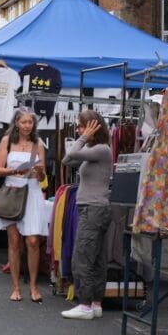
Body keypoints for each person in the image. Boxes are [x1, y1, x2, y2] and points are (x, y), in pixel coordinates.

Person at [60, 110, 114, 320]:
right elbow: (66, 160)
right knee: (97, 258)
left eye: (82, 126)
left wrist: (84, 137)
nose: (78, 130)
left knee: (82, 257)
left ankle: (84, 305)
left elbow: (72, 153)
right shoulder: (95, 151)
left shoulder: (101, 149)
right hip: (95, 209)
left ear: (94, 127)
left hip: (93, 209)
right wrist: (85, 138)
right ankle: (95, 303)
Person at [0, 108, 47, 303]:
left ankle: (33, 286)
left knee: (33, 241)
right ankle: (16, 287)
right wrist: (14, 171)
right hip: (12, 194)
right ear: (16, 123)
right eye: (23, 122)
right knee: (14, 242)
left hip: (32, 192)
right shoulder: (7, 141)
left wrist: (39, 172)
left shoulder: (38, 144)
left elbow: (43, 176)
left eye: (30, 122)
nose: (27, 126)